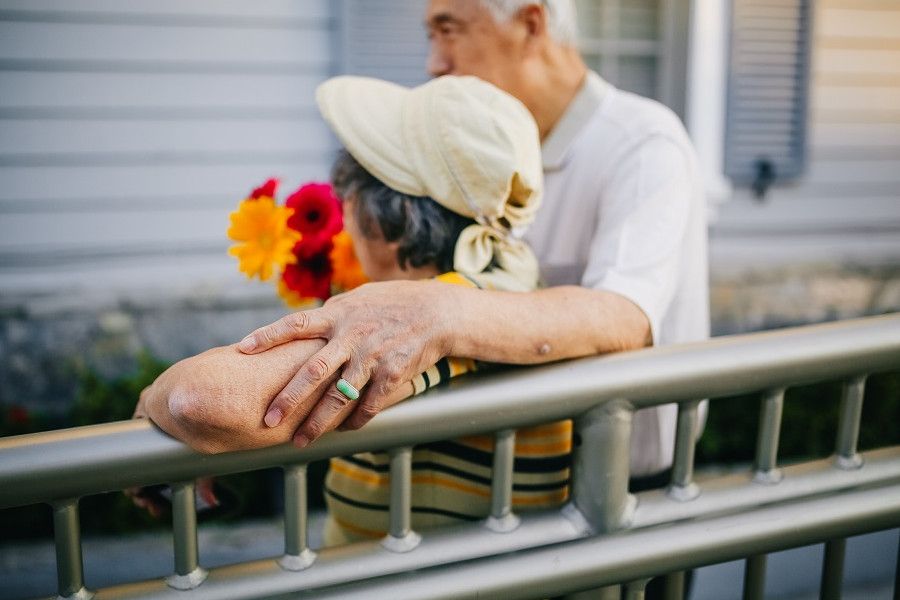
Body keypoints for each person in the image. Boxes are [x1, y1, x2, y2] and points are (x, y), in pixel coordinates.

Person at [239, 0, 709, 482]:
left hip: (628, 485)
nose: (434, 63)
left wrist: (440, 310)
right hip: (518, 482)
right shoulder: (477, 147)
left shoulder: (643, 144)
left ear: (530, 24)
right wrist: (230, 436)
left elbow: (624, 315)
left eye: (449, 29)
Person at [135, 74, 572, 544]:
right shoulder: (511, 281)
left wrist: (151, 401)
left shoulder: (420, 318)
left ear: (389, 218)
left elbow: (200, 400)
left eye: (351, 193)